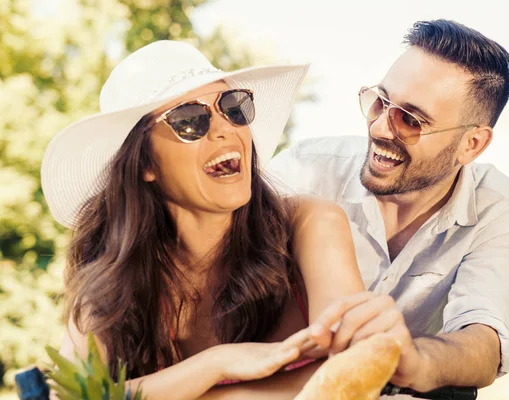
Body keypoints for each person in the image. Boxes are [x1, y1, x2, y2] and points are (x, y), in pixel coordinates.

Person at [42, 40, 366, 399]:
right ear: (146, 163)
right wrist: (217, 364)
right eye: (189, 120)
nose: (225, 128)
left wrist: (218, 393)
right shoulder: (112, 279)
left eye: (232, 107)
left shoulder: (310, 222)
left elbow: (353, 370)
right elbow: (71, 396)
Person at [269, 19, 509, 394]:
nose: (378, 128)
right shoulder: (304, 169)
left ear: (470, 145)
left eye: (410, 119)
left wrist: (411, 358)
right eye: (379, 101)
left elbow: (484, 340)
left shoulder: (495, 204)